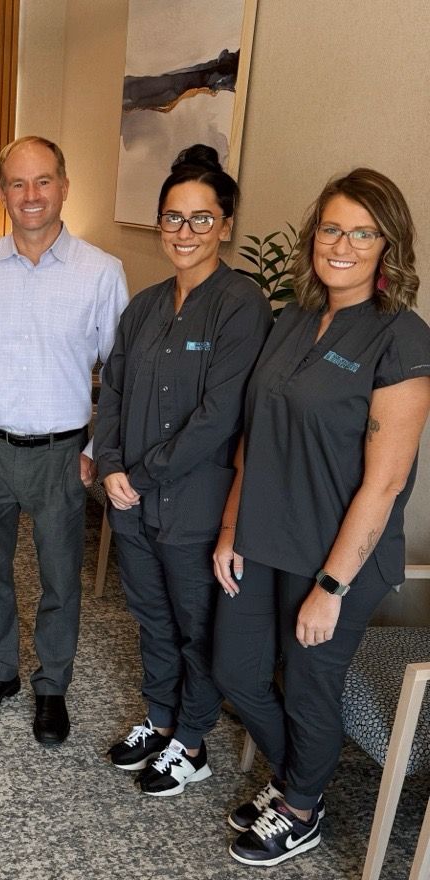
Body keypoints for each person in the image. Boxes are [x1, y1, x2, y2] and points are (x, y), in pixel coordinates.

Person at [212, 168, 430, 866]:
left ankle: (301, 807)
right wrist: (230, 528)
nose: (343, 244)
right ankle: (297, 779)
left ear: (388, 246)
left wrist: (332, 587)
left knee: (309, 687)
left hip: (338, 556)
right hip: (265, 535)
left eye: (363, 232)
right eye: (332, 228)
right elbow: (257, 434)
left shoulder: (401, 337)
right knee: (239, 672)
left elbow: (387, 478)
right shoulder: (297, 317)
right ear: (315, 238)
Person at [95, 145, 272, 790]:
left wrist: (138, 475)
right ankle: (160, 716)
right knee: (150, 616)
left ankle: (191, 740)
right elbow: (111, 391)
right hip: (132, 502)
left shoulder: (241, 304)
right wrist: (111, 462)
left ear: (226, 224)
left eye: (201, 219)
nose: (185, 232)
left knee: (196, 627)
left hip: (194, 505)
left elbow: (221, 414)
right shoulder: (144, 306)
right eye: (173, 218)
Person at [0, 135, 128, 745]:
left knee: (59, 579)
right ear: (2, 193)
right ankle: (0, 671)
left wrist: (92, 450)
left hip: (60, 456)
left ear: (65, 187)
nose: (31, 195)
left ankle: (52, 685)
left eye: (43, 181)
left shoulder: (101, 272)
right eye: (17, 184)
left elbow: (119, 376)